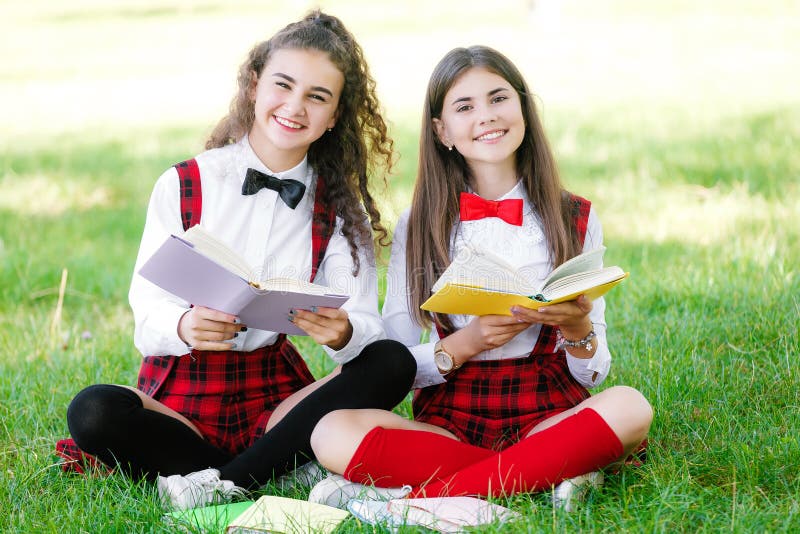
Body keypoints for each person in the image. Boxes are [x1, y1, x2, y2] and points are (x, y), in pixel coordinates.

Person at [60, 10, 416, 510]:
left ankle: (221, 482)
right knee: (92, 412)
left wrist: (342, 334)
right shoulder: (186, 183)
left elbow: (363, 324)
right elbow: (147, 308)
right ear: (254, 85)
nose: (295, 107)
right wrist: (184, 325)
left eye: (318, 97)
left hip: (277, 400)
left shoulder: (340, 209)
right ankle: (268, 468)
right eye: (283, 85)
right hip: (183, 393)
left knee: (390, 361)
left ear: (335, 115)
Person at [306, 45, 653, 510]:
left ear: (523, 108)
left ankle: (410, 501)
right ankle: (547, 471)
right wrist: (466, 343)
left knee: (630, 406)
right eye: (464, 107)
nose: (486, 116)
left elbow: (593, 373)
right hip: (451, 418)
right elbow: (398, 359)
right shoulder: (420, 222)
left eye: (498, 98)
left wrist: (576, 328)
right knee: (330, 432)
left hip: (548, 409)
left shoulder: (575, 216)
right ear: (441, 130)